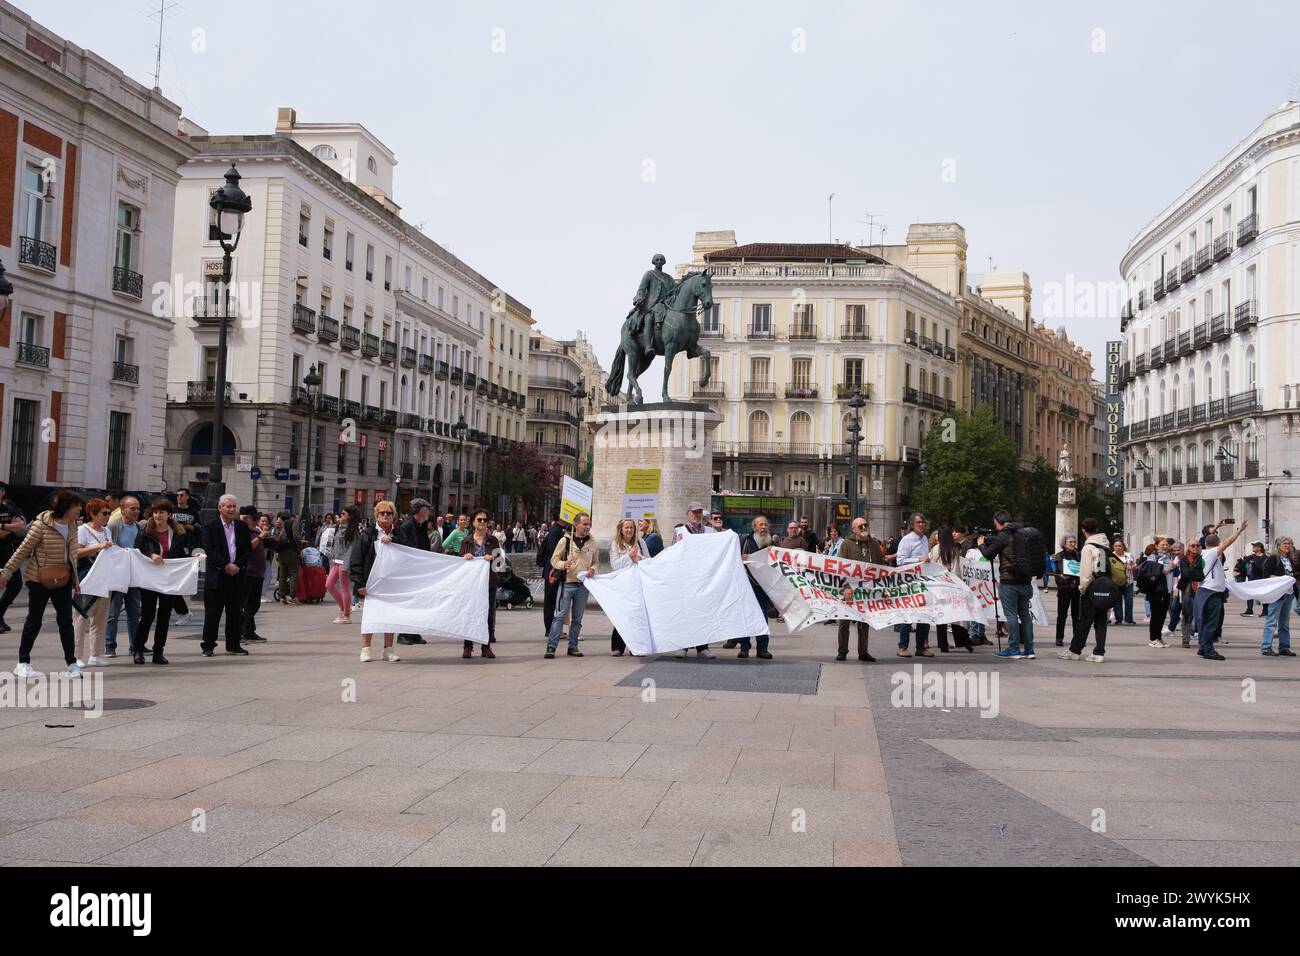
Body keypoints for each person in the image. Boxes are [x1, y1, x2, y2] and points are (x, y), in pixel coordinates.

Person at [2, 490, 83, 678]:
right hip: (39, 579)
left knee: (66, 621)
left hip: (63, 578)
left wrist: (75, 581)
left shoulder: (72, 526)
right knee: (34, 620)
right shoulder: (41, 525)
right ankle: (23, 662)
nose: (79, 509)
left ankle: (71, 663)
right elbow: (22, 551)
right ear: (66, 507)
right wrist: (6, 572)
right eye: (76, 506)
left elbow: (72, 556)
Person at [132, 498, 187, 665]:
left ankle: (158, 652)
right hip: (150, 578)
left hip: (169, 579)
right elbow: (137, 550)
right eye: (155, 512)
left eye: (161, 512)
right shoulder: (145, 531)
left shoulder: (178, 532)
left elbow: (181, 555)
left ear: (169, 514)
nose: (157, 515)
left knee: (164, 616)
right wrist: (151, 555)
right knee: (147, 615)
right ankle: (138, 649)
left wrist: (192, 559)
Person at [200, 494, 252, 657]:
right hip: (217, 577)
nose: (231, 509)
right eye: (228, 506)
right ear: (220, 508)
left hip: (236, 576)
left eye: (233, 506)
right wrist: (225, 566)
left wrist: (237, 565)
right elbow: (210, 549)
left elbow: (246, 550)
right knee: (212, 615)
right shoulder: (210, 526)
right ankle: (208, 645)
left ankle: (233, 644)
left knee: (235, 613)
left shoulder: (242, 527)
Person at [978, 510, 1035, 660]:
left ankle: (1014, 649)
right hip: (1026, 580)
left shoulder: (1004, 535)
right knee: (1025, 615)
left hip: (1009, 581)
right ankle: (1029, 649)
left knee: (1011, 615)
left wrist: (981, 545)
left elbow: (988, 554)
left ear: (998, 521)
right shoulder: (1024, 533)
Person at [349, 501, 400, 662]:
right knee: (370, 615)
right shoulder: (368, 534)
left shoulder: (398, 535)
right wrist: (359, 583)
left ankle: (388, 650)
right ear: (376, 516)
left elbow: (407, 554)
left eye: (389, 513)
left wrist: (394, 543)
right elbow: (357, 559)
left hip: (392, 583)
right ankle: (366, 649)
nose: (385, 516)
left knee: (391, 616)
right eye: (382, 513)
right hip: (371, 582)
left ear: (394, 516)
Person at [1193, 518, 1248, 661]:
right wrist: (1239, 531)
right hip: (1212, 592)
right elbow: (1227, 543)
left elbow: (1210, 538)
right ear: (1217, 545)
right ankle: (1209, 650)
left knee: (1204, 622)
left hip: (1203, 590)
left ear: (1205, 543)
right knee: (1212, 623)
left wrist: (1216, 526)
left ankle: (1202, 647)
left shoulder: (1202, 553)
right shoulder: (1212, 553)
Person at [545, 512, 597, 659]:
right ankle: (551, 646)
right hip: (567, 584)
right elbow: (554, 560)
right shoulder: (565, 540)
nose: (587, 527)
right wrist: (563, 564)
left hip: (583, 586)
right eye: (584, 524)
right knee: (559, 616)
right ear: (576, 525)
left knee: (577, 619)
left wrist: (593, 569)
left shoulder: (592, 543)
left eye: (589, 524)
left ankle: (573, 646)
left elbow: (596, 561)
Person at [1061, 516, 1112, 663]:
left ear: (1083, 531)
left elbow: (1086, 572)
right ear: (1097, 530)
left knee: (1084, 621)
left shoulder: (1088, 547)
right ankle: (1099, 652)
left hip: (1091, 588)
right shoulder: (1105, 546)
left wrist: (1082, 587)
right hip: (1105, 587)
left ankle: (1075, 650)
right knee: (1101, 621)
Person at [671, 504, 716, 658]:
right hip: (685, 578)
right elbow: (673, 553)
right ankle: (682, 646)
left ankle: (702, 647)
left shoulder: (710, 531)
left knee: (702, 613)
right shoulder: (680, 532)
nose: (697, 515)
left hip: (703, 579)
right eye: (694, 512)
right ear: (687, 514)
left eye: (699, 512)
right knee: (684, 612)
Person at [73, 498, 114, 667]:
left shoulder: (106, 531)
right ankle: (76, 655)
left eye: (108, 513)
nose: (107, 517)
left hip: (104, 579)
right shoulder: (82, 530)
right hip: (86, 578)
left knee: (100, 617)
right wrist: (98, 547)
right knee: (80, 617)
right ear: (93, 514)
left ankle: (96, 654)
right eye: (104, 513)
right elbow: (75, 552)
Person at [837, 516, 884, 662]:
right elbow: (841, 567)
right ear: (854, 530)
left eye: (865, 525)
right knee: (844, 621)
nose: (864, 528)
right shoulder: (846, 544)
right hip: (849, 589)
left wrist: (882, 587)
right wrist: (845, 587)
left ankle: (863, 652)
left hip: (867, 590)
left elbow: (880, 567)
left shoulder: (875, 544)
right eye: (861, 527)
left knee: (864, 622)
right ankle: (842, 651)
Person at [460, 508, 502, 660]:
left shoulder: (493, 541)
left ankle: (486, 645)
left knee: (488, 614)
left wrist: (492, 558)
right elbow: (460, 564)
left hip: (489, 582)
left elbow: (499, 564)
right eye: (479, 520)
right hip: (471, 584)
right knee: (469, 613)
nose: (483, 522)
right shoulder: (466, 541)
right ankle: (468, 645)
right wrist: (465, 556)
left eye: (485, 520)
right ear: (473, 523)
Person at [104, 495, 143, 658]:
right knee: (113, 613)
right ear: (122, 509)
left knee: (134, 612)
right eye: (132, 508)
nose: (136, 511)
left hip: (133, 575)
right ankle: (110, 645)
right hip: (116, 575)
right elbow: (107, 547)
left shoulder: (138, 527)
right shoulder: (114, 525)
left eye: (138, 508)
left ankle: (135, 644)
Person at [393, 499, 435, 645]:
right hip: (410, 571)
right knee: (409, 603)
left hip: (421, 570)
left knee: (418, 602)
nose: (429, 512)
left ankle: (414, 632)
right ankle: (403, 633)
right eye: (426, 509)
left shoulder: (422, 526)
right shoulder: (407, 526)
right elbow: (406, 547)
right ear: (420, 511)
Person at [736, 515, 777, 659]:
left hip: (763, 587)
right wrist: (741, 558)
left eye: (765, 525)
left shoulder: (772, 543)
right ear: (755, 527)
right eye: (761, 525)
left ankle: (762, 649)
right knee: (746, 616)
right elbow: (735, 560)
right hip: (747, 585)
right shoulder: (745, 541)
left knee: (762, 617)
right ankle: (744, 648)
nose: (764, 527)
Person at [930, 526, 972, 653]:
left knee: (941, 616)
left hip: (937, 585)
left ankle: (942, 644)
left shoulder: (935, 549)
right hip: (950, 585)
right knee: (956, 615)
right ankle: (963, 641)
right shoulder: (953, 549)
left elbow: (931, 567)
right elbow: (955, 570)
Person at [896, 512, 932, 657]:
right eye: (918, 522)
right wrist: (918, 559)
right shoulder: (906, 540)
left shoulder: (925, 539)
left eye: (923, 522)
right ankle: (903, 647)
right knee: (908, 615)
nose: (921, 525)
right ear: (912, 524)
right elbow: (900, 561)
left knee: (925, 615)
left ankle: (920, 647)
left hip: (923, 581)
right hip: (909, 582)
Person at [608, 517, 646, 656]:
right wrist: (629, 556)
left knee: (637, 616)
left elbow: (649, 562)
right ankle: (617, 646)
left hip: (637, 584)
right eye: (626, 528)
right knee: (622, 615)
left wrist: (639, 559)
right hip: (623, 585)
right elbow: (614, 565)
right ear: (621, 530)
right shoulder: (615, 544)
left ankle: (636, 646)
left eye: (631, 527)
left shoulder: (640, 543)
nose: (629, 530)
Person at [1260, 536, 1296, 657]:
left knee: (1284, 622)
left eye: (1289, 543)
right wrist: (1281, 580)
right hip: (1277, 594)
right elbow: (1266, 575)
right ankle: (1266, 647)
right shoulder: (1273, 558)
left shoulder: (1289, 559)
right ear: (1278, 545)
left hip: (1289, 593)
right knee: (1271, 621)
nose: (1288, 545)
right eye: (1285, 543)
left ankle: (1284, 647)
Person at [1139, 537, 1177, 648]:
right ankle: (1153, 639)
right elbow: (1160, 571)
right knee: (1156, 615)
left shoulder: (1168, 557)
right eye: (1162, 545)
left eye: (1166, 545)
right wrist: (1169, 567)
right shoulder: (1153, 557)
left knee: (1162, 615)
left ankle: (1159, 637)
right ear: (1156, 546)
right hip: (1156, 590)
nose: (1165, 547)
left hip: (1167, 590)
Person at [168, 488, 199, 626]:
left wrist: (187, 527)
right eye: (177, 495)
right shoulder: (172, 510)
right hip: (172, 548)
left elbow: (198, 529)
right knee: (170, 582)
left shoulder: (193, 512)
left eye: (181, 495)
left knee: (173, 583)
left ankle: (183, 611)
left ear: (187, 497)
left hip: (185, 548)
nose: (179, 497)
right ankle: (181, 610)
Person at [0, 479, 27, 633]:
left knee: (16, 583)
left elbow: (20, 526)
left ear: (3, 492)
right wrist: (10, 528)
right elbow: (14, 527)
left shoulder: (9, 509)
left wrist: (3, 526)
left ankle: (0, 613)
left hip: (7, 552)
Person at [325, 505, 360, 626]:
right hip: (336, 560)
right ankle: (344, 608)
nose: (341, 516)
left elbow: (351, 549)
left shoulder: (353, 531)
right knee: (328, 584)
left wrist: (346, 566)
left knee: (344, 588)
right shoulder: (340, 527)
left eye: (344, 514)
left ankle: (346, 615)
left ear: (350, 516)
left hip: (344, 562)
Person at [241, 507, 271, 644]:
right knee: (246, 605)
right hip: (248, 573)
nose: (258, 520)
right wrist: (259, 537)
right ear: (249, 518)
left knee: (253, 604)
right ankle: (241, 632)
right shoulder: (244, 532)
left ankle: (249, 631)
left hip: (257, 573)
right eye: (256, 518)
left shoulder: (255, 531)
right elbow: (247, 547)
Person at [537, 515, 567, 638]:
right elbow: (555, 553)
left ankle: (552, 629)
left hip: (552, 569)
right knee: (551, 600)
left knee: (552, 600)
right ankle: (550, 629)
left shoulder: (557, 529)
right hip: (552, 571)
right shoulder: (556, 531)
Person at [1053, 535, 1081, 647]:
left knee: (1076, 615)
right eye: (1070, 542)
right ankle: (1059, 637)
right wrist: (1062, 577)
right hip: (1064, 588)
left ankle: (1077, 637)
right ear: (1064, 543)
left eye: (1074, 542)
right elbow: (1057, 573)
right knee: (1062, 615)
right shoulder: (1059, 556)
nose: (1073, 544)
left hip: (1076, 588)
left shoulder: (1078, 555)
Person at [275, 512, 302, 606]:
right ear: (292, 517)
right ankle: (291, 596)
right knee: (294, 574)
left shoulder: (278, 524)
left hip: (281, 551)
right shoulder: (293, 523)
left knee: (282, 575)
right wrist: (300, 547)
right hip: (291, 551)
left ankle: (282, 596)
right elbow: (296, 536)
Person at [1110, 539, 1136, 625]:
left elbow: (1134, 565)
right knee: (1117, 601)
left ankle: (1129, 619)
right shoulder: (1111, 556)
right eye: (1116, 546)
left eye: (1120, 546)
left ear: (1123, 546)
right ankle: (1119, 619)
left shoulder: (1128, 555)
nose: (1118, 547)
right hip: (1115, 582)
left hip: (1128, 581)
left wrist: (1132, 566)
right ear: (1113, 547)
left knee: (1129, 600)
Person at [1239, 541, 1267, 616]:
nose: (1253, 548)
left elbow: (1262, 568)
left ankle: (1265, 611)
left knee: (1263, 595)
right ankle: (1249, 610)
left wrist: (1254, 563)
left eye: (1255, 546)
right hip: (1252, 578)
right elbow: (1242, 566)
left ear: (1259, 548)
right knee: (1249, 594)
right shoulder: (1250, 557)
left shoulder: (1265, 558)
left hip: (1261, 578)